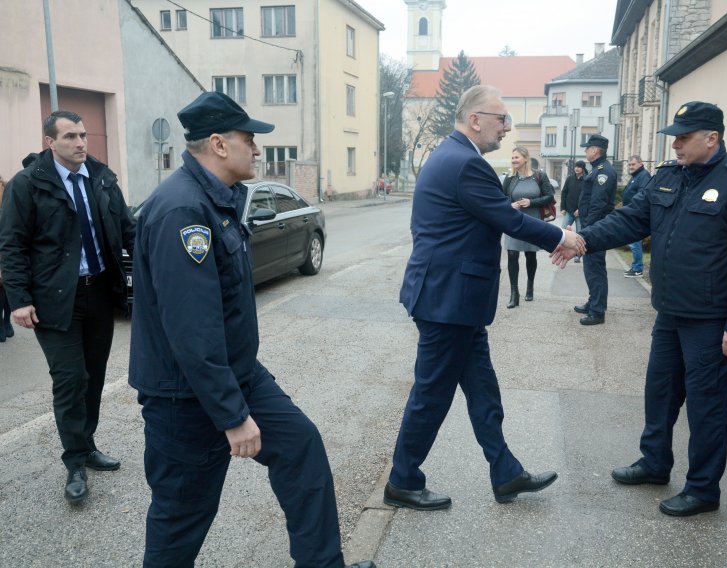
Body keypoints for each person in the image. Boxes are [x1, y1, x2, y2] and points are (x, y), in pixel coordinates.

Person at [128, 92, 374, 568]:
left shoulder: (215, 200)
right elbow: (191, 332)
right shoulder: (183, 210)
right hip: (187, 396)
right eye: (249, 138)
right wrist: (232, 416)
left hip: (235, 374)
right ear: (219, 144)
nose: (257, 148)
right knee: (182, 516)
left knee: (300, 447)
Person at [551, 101, 727, 516]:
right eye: (674, 137)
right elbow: (631, 220)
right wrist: (581, 240)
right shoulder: (669, 178)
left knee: (707, 407)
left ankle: (703, 489)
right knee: (660, 394)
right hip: (670, 313)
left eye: (684, 137)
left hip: (712, 322)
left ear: (712, 138)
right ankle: (655, 463)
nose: (675, 145)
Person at [384, 85, 585, 511]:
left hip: (454, 299)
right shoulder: (465, 163)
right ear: (475, 119)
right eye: (501, 119)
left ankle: (505, 473)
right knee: (431, 395)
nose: (507, 127)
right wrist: (563, 236)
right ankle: (402, 480)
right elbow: (507, 218)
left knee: (483, 391)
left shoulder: (453, 156)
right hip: (447, 301)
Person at [0, 111, 135, 504]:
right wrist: (19, 299)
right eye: (71, 136)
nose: (81, 143)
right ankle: (75, 461)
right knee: (70, 380)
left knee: (93, 377)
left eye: (83, 135)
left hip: (99, 294)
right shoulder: (28, 185)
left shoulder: (102, 179)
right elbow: (12, 245)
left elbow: (128, 230)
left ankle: (87, 444)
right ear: (50, 142)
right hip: (55, 301)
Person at [502, 146, 555, 307]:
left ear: (525, 158)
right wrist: (511, 205)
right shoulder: (510, 178)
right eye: (512, 158)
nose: (514, 160)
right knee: (512, 254)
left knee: (530, 255)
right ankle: (514, 294)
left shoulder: (539, 176)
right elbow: (502, 197)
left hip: (533, 220)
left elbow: (549, 196)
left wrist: (531, 202)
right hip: (514, 220)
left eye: (516, 157)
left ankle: (530, 287)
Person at [573, 134, 617, 325]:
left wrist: (587, 229)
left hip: (596, 228)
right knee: (591, 267)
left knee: (595, 269)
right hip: (592, 226)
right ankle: (593, 302)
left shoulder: (603, 172)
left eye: (587, 148)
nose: (585, 151)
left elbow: (598, 204)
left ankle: (598, 311)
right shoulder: (597, 169)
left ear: (595, 150)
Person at [621, 155, 651, 277]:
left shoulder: (643, 176)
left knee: (635, 243)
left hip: (636, 215)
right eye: (629, 164)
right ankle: (635, 267)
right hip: (630, 214)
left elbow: (642, 195)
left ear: (640, 163)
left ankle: (638, 269)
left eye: (633, 164)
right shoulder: (636, 176)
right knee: (633, 243)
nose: (631, 167)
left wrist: (632, 211)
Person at [559, 160, 586, 263]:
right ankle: (561, 253)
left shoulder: (586, 180)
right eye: (576, 166)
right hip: (569, 211)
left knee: (580, 235)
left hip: (580, 213)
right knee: (563, 232)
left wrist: (581, 209)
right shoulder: (570, 179)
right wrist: (563, 207)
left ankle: (578, 255)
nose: (577, 168)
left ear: (583, 168)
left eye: (579, 167)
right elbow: (564, 193)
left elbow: (587, 198)